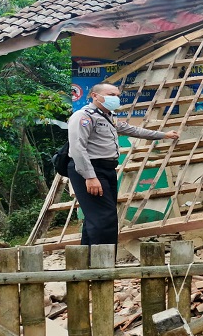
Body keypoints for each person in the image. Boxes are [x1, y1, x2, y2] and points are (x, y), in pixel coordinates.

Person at [67, 83, 179, 246]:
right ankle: (103, 263)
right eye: (111, 94)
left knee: (99, 216)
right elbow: (77, 148)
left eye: (117, 95)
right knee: (104, 217)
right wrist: (90, 177)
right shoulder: (83, 116)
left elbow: (134, 130)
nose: (116, 98)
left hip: (107, 169)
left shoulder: (109, 117)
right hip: (90, 170)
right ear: (95, 96)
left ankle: (88, 261)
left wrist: (164, 135)